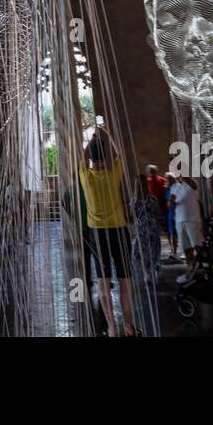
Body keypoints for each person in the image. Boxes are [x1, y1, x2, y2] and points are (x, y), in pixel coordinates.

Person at [78, 128, 137, 337]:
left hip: (98, 233)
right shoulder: (114, 174)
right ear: (106, 156)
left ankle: (112, 326)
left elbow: (83, 156)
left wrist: (90, 139)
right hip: (119, 231)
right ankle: (128, 324)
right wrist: (109, 134)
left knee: (103, 281)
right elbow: (121, 153)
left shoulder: (86, 177)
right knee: (125, 281)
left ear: (92, 158)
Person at [169, 174, 203, 263]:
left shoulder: (193, 182)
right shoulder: (174, 186)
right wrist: (171, 203)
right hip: (179, 221)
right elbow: (172, 205)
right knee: (186, 248)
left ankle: (202, 267)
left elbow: (193, 186)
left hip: (192, 219)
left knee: (197, 246)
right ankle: (190, 267)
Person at [142, 165, 169, 264]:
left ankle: (172, 251)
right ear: (148, 172)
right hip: (151, 213)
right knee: (154, 234)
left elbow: (167, 193)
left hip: (162, 210)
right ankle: (154, 254)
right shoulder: (147, 182)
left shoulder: (162, 181)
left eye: (154, 171)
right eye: (150, 172)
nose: (152, 173)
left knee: (167, 231)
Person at [162, 173, 180, 261]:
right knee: (172, 233)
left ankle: (175, 251)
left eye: (167, 180)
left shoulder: (177, 188)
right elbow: (167, 203)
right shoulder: (168, 189)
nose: (166, 181)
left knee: (176, 233)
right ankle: (173, 251)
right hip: (170, 214)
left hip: (177, 214)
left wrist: (171, 203)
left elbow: (173, 202)